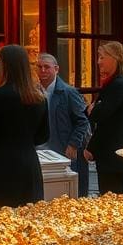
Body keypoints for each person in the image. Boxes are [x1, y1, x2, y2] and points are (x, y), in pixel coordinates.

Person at [0, 45, 49, 206]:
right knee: (27, 217)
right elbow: (43, 135)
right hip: (29, 163)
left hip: (0, 163)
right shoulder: (39, 98)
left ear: (5, 66)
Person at [84, 41, 123, 196]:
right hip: (116, 153)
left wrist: (93, 110)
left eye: (102, 57)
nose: (98, 62)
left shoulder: (119, 85)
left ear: (115, 58)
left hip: (115, 155)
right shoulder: (122, 82)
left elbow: (102, 117)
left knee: (114, 198)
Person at [35, 52, 91, 197]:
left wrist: (73, 144)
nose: (42, 71)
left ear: (56, 69)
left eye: (47, 67)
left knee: (69, 192)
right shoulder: (34, 92)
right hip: (40, 149)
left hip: (64, 149)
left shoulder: (68, 92)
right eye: (39, 67)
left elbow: (82, 121)